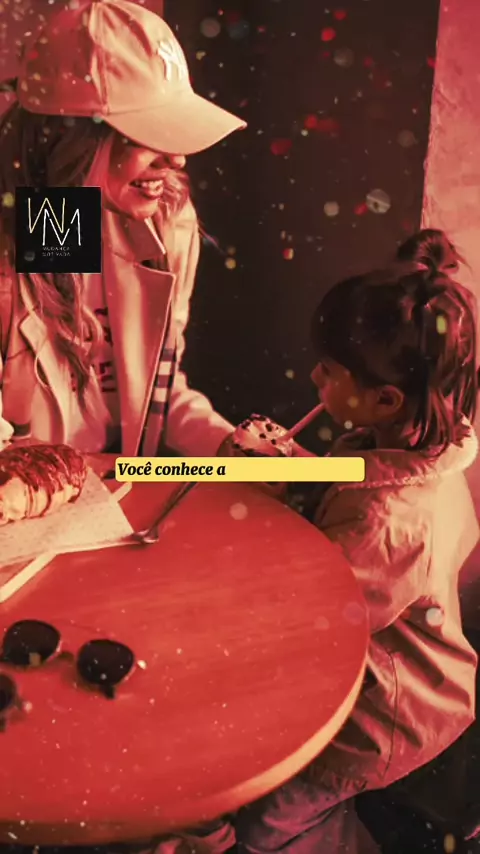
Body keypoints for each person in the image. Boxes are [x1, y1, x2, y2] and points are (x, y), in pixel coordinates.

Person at [230, 229, 480, 852]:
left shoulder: (386, 521)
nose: (314, 375)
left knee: (262, 827)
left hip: (382, 714)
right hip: (398, 664)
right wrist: (295, 465)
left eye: (329, 371)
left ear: (384, 398)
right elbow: (354, 476)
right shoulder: (423, 445)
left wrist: (265, 505)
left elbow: (310, 619)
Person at [0, 0, 246, 457]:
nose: (176, 159)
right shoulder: (30, 236)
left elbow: (156, 393)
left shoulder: (169, 223)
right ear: (69, 138)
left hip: (128, 485)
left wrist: (231, 450)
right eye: (147, 134)